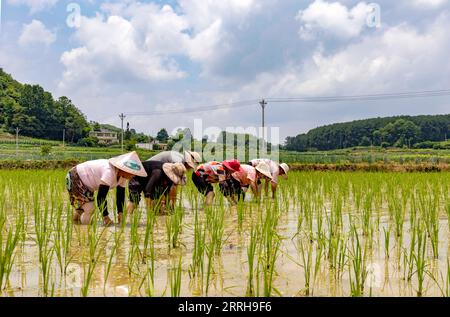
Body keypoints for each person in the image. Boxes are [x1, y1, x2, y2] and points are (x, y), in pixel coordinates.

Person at [65, 151, 147, 226]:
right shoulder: (109, 172)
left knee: (81, 208)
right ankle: (85, 232)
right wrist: (105, 217)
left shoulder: (123, 177)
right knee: (90, 208)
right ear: (123, 169)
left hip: (88, 184)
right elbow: (101, 197)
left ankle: (75, 226)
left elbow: (120, 196)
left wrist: (120, 213)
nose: (133, 176)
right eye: (131, 172)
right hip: (75, 177)